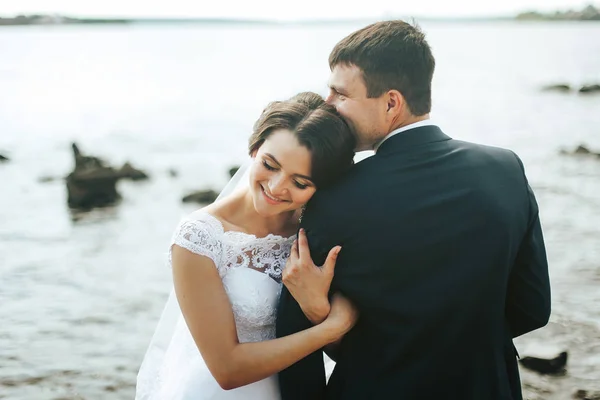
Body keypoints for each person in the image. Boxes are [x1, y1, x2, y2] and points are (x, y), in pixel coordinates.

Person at [276, 20, 551, 400]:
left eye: (340, 94)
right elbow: (533, 308)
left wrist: (325, 318)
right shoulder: (506, 168)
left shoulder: (333, 197)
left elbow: (294, 344)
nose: (327, 105)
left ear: (391, 102)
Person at [135, 92, 358, 400]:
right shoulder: (198, 238)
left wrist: (318, 310)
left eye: (300, 182)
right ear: (255, 148)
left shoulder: (317, 234)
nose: (277, 187)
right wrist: (330, 328)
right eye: (270, 164)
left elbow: (348, 353)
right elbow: (227, 369)